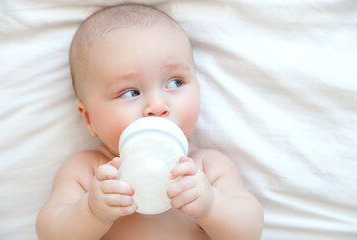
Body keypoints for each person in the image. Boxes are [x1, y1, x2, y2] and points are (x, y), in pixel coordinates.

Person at [36, 3, 263, 240]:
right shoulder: (87, 171)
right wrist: (90, 212)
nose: (157, 106)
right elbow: (49, 233)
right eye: (130, 92)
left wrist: (212, 205)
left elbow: (250, 232)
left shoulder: (208, 168)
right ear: (89, 118)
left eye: (175, 82)